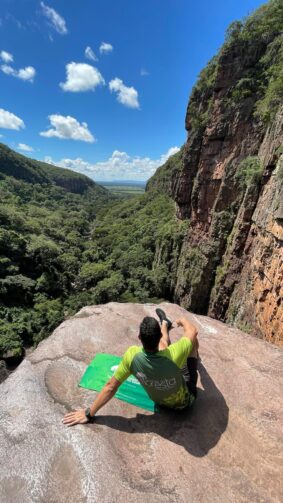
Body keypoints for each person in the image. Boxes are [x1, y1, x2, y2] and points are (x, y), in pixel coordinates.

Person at [62, 309, 199, 427]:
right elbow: (193, 331)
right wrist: (183, 320)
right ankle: (166, 325)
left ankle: (164, 323)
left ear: (139, 337)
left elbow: (110, 387)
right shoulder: (173, 354)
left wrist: (89, 414)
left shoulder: (132, 355)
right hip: (186, 402)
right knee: (192, 342)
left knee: (164, 347)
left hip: (160, 402)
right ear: (158, 337)